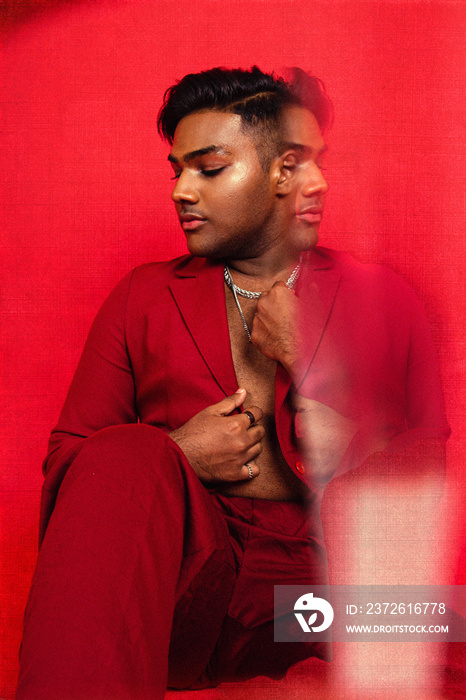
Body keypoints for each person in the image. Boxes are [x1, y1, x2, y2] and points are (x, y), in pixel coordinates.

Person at [16, 66, 449, 700]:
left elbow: (421, 492)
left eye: (209, 168)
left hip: (336, 597)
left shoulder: (385, 301)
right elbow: (70, 464)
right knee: (125, 450)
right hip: (190, 591)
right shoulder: (143, 296)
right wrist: (175, 454)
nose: (181, 192)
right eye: (178, 171)